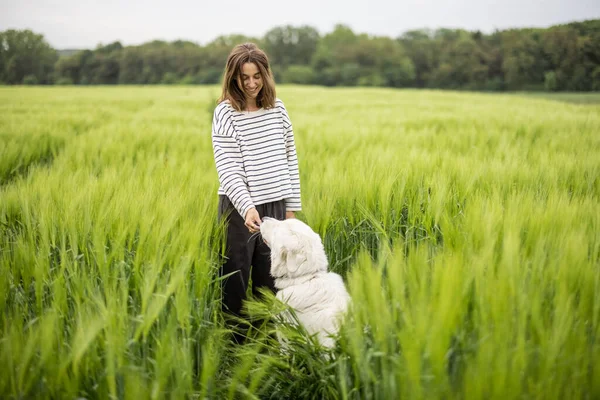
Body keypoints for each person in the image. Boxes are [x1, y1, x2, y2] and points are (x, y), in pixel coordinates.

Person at [211, 43, 301, 341]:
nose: (251, 83)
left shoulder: (278, 108)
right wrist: (247, 207)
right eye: (243, 77)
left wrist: (290, 208)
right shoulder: (225, 113)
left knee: (270, 279)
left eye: (257, 76)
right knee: (236, 278)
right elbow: (228, 167)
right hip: (239, 210)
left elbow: (289, 156)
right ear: (233, 77)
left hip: (275, 206)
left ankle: (265, 345)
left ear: (266, 75)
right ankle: (236, 347)